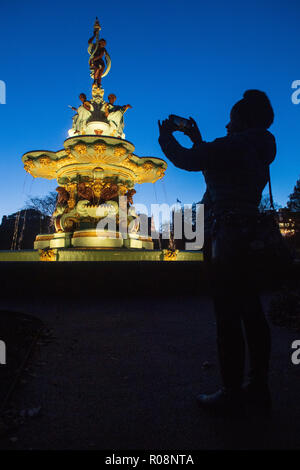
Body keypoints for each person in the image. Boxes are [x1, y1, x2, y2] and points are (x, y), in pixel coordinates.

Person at [158, 90, 276, 416]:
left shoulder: (238, 144)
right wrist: (197, 138)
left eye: (231, 118)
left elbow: (190, 161)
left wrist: (166, 138)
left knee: (227, 316)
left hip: (228, 237)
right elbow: (214, 161)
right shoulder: (257, 147)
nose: (226, 124)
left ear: (244, 120)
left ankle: (231, 391)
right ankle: (258, 386)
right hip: (249, 234)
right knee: (251, 310)